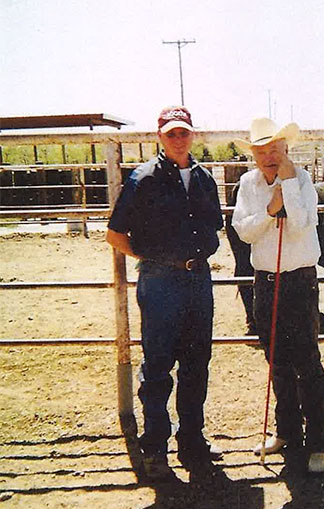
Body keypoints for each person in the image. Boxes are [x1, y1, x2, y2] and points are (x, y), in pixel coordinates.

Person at [106, 105, 224, 482]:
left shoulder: (205, 179)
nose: (178, 139)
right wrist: (154, 257)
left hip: (197, 280)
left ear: (193, 135)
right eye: (171, 133)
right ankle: (155, 446)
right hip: (159, 282)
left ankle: (192, 441)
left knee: (196, 364)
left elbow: (214, 227)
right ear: (160, 136)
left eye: (184, 132)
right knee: (157, 366)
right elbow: (115, 235)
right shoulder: (143, 179)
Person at [232, 117, 324, 473]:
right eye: (261, 150)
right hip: (266, 281)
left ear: (287, 150)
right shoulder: (247, 184)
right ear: (254, 155)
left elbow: (302, 225)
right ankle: (287, 431)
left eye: (274, 148)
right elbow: (243, 231)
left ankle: (319, 440)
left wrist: (287, 188)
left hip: (299, 281)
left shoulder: (303, 180)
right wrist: (270, 210)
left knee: (307, 361)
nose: (268, 156)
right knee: (277, 361)